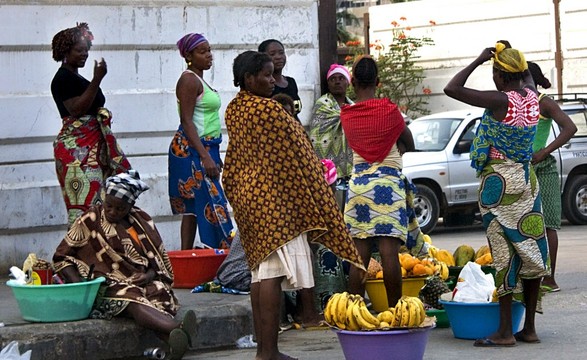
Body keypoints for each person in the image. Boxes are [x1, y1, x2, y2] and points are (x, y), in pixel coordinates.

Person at [223, 50, 363, 360]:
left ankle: (264, 349)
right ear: (249, 79)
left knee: (260, 273)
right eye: (267, 75)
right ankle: (269, 352)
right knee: (271, 273)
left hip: (249, 198)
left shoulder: (236, 109)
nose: (273, 80)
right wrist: (317, 185)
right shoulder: (268, 111)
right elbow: (298, 154)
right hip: (273, 201)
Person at [444, 43, 550, 346]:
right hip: (527, 182)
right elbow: (527, 74)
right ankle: (528, 328)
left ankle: (504, 332)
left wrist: (479, 58)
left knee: (504, 256)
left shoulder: (499, 101)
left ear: (500, 76)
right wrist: (509, 54)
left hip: (499, 187)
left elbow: (453, 88)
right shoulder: (531, 97)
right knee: (531, 255)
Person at [52, 170, 196, 360]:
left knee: (158, 291)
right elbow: (61, 256)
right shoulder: (90, 220)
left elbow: (158, 265)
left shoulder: (143, 222)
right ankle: (178, 329)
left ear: (131, 205)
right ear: (103, 198)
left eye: (120, 209)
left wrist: (147, 276)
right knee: (131, 298)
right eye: (109, 205)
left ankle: (174, 340)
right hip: (106, 284)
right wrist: (81, 287)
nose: (112, 212)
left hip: (141, 281)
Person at [340, 55, 419, 310]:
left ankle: (354, 312)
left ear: (352, 82)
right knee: (388, 254)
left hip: (360, 185)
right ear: (378, 81)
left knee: (359, 256)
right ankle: (396, 311)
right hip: (388, 183)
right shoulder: (389, 111)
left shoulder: (347, 115)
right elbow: (409, 141)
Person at [51, 22, 132, 225]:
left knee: (99, 202)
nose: (85, 54)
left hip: (92, 150)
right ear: (65, 52)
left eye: (86, 50)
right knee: (84, 205)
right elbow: (76, 109)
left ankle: (96, 249)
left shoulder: (76, 78)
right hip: (77, 152)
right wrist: (97, 79)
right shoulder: (62, 79)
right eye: (79, 50)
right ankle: (79, 249)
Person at [169, 33, 233, 250]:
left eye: (209, 50)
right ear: (189, 55)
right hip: (193, 150)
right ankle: (222, 254)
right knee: (212, 205)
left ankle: (187, 258)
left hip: (205, 148)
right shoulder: (188, 80)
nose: (209, 56)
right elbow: (186, 121)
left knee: (193, 209)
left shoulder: (198, 79)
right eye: (202, 51)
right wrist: (205, 156)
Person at [526, 61, 577, 293]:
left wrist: (544, 151)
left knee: (548, 225)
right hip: (520, 168)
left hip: (543, 167)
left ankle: (549, 278)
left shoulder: (543, 102)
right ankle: (528, 277)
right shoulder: (515, 103)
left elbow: (570, 127)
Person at [309, 63, 354, 210]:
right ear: (328, 83)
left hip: (350, 171)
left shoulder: (353, 107)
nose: (337, 81)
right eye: (333, 79)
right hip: (330, 172)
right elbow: (316, 135)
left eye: (341, 78)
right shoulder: (323, 105)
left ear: (348, 82)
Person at [258, 39, 302, 119]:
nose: (278, 57)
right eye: (272, 54)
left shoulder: (291, 82)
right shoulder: (263, 85)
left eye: (281, 53)